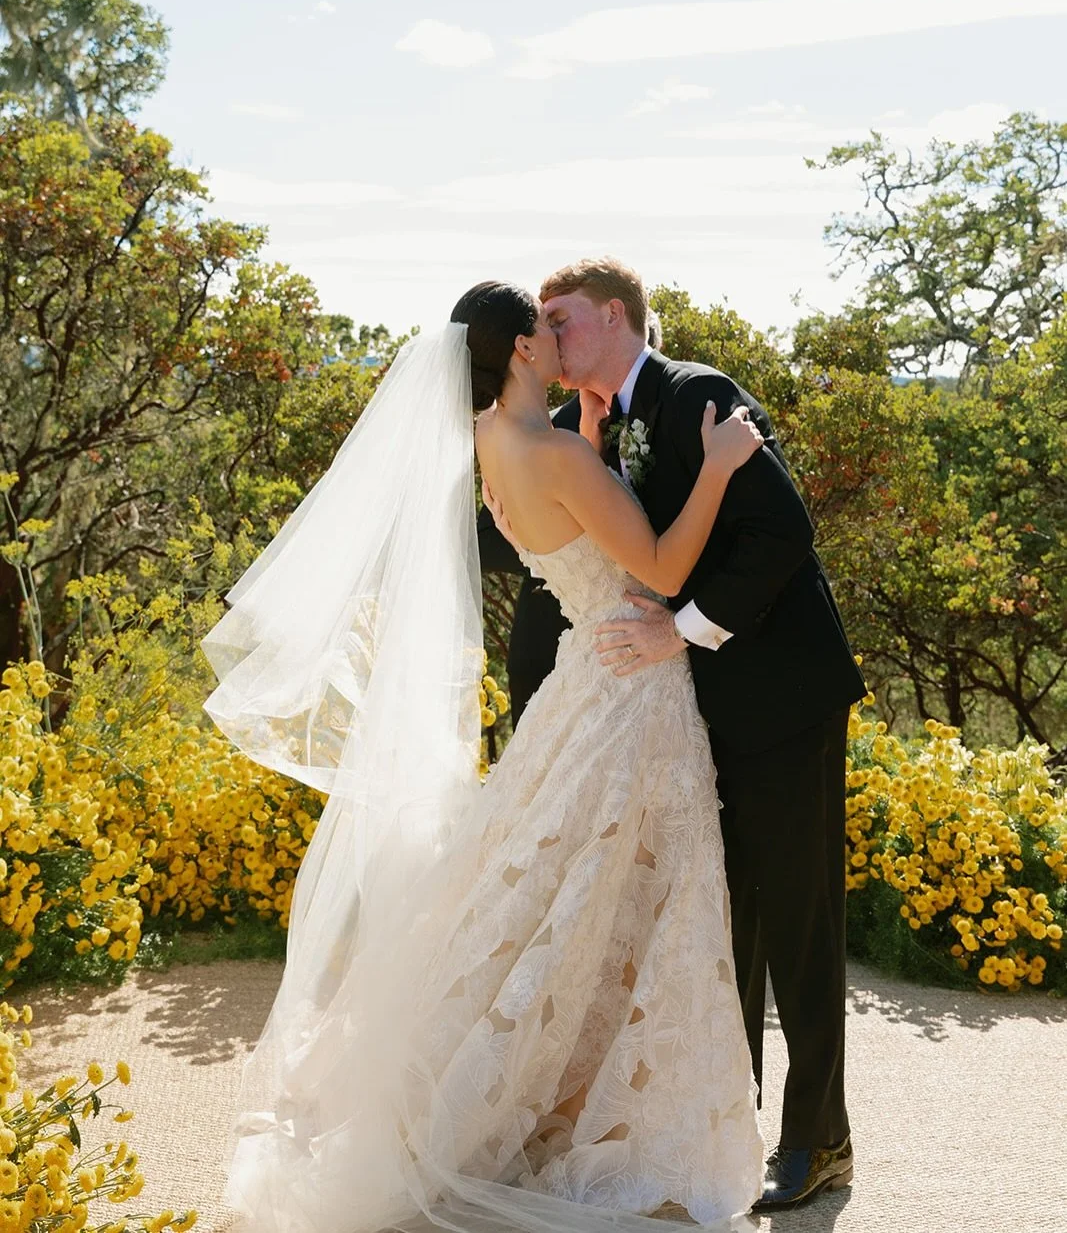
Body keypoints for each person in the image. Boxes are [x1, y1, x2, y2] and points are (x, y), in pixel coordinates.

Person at [201, 282, 767, 1233]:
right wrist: (717, 466)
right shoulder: (546, 449)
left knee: (553, 890)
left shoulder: (494, 444)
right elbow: (661, 571)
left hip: (582, 673)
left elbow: (570, 528)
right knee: (620, 893)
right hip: (630, 686)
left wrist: (587, 437)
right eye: (543, 331)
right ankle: (579, 1110)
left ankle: (540, 1089)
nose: (557, 341)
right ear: (514, 352)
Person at [483, 257, 866, 1211]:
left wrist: (677, 631)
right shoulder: (591, 426)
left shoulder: (701, 394)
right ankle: (721, 1129)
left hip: (778, 704)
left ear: (615, 317)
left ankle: (818, 1141)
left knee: (798, 923)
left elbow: (783, 533)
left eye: (562, 321)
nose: (549, 338)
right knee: (718, 922)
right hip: (687, 716)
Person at [478, 312, 663, 723]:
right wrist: (552, 557)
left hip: (641, 662)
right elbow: (486, 538)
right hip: (550, 649)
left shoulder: (666, 416)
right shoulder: (547, 431)